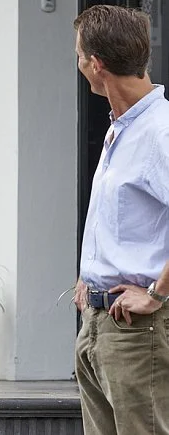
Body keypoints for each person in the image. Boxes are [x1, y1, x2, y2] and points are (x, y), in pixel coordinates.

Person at [72, 5, 169, 435]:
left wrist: (157, 293)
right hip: (100, 324)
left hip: (138, 331)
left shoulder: (159, 131)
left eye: (78, 55)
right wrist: (89, 277)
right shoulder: (121, 129)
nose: (78, 64)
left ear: (96, 65)